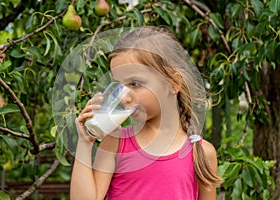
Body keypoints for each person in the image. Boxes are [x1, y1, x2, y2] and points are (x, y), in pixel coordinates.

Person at [71, 26, 223, 200]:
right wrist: (84, 142)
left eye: (135, 84)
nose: (124, 97)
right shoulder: (115, 142)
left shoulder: (202, 152)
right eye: (119, 86)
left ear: (173, 83)